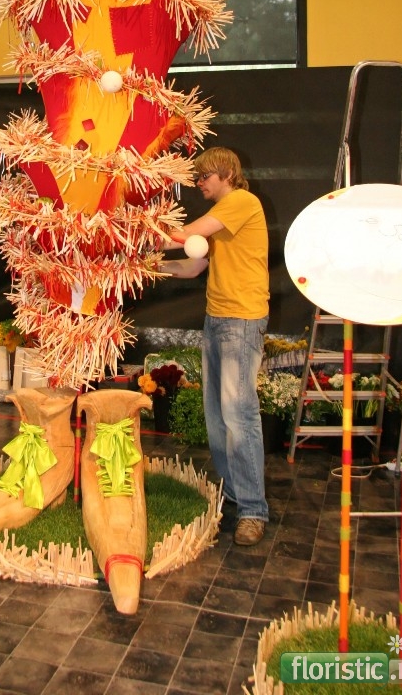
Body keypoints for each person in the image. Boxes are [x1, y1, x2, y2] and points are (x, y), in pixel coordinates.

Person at [162, 146, 269, 546]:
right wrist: (142, 266)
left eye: (204, 176)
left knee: (239, 417)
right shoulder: (222, 218)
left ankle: (253, 510)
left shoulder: (241, 202)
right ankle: (232, 498)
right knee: (217, 419)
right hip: (218, 319)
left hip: (241, 321)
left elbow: (184, 236)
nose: (199, 184)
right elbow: (193, 265)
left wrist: (136, 233)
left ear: (225, 173)